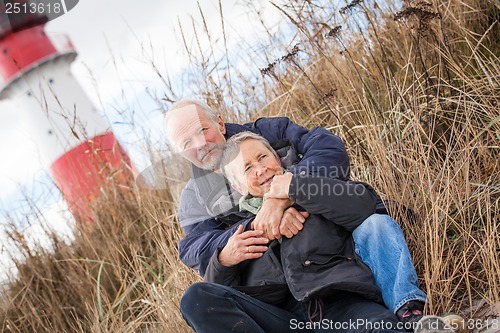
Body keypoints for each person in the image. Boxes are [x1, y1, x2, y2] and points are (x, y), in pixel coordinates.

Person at [164, 99, 427, 326]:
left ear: (219, 124)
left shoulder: (269, 133)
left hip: (331, 272)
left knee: (374, 230)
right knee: (198, 298)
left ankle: (408, 311)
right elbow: (196, 250)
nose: (199, 144)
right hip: (277, 299)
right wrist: (260, 226)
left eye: (203, 130)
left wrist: (283, 196)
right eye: (187, 142)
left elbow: (328, 150)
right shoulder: (194, 198)